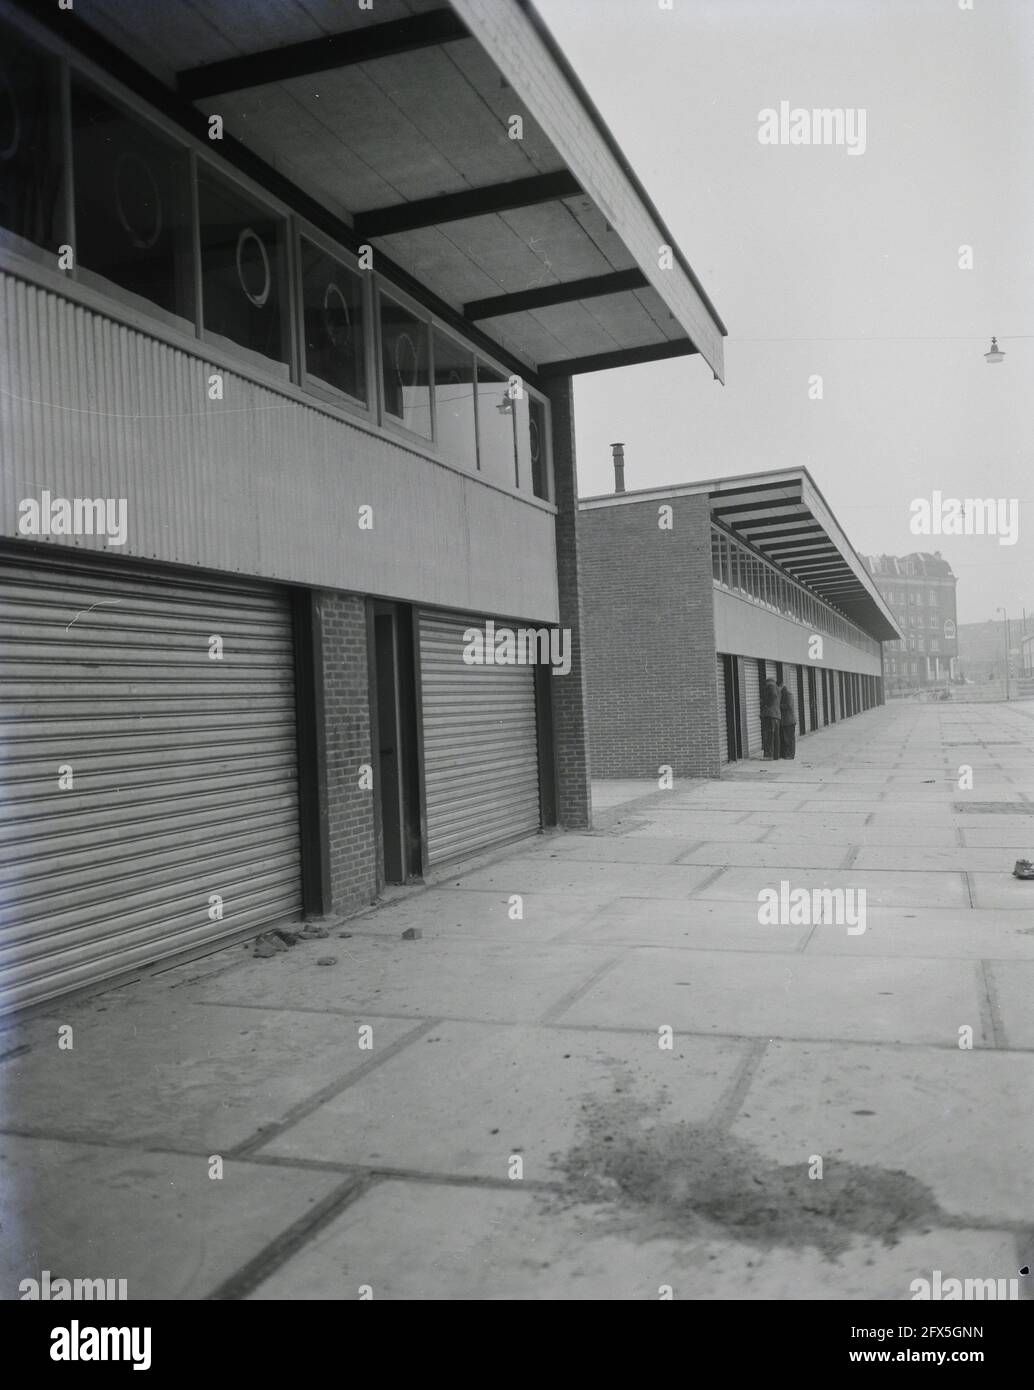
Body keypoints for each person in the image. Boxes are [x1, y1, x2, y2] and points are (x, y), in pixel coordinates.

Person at [761, 676, 781, 759]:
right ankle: (776, 755)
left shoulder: (771, 686)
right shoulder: (777, 688)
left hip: (770, 715)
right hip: (776, 715)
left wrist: (766, 705)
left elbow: (772, 696)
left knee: (769, 736)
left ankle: (769, 755)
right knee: (776, 736)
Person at [778, 680, 797, 759]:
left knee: (789, 739)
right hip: (785, 721)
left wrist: (778, 705)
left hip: (789, 721)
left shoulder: (788, 694)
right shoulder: (783, 694)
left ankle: (790, 755)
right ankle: (786, 754)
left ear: (781, 686)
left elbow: (788, 706)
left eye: (778, 687)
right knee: (785, 739)